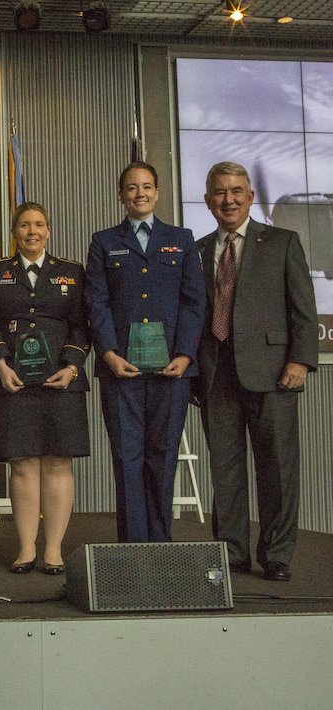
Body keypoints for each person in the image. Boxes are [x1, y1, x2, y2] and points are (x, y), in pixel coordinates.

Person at [195, 161, 318, 582]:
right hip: (215, 375)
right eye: (219, 192)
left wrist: (300, 359)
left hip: (273, 373)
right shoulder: (197, 249)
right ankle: (231, 554)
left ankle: (277, 555)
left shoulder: (283, 242)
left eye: (236, 191)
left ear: (249, 196)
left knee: (278, 469)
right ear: (208, 199)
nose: (228, 200)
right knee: (225, 472)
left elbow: (303, 309)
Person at [85, 161, 205, 543]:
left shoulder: (182, 239)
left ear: (157, 192)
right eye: (132, 188)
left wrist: (185, 354)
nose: (140, 194)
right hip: (121, 369)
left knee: (162, 456)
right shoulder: (104, 241)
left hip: (172, 370)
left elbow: (194, 302)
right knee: (127, 458)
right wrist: (108, 353)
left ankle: (161, 545)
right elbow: (96, 302)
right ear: (121, 195)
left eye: (147, 187)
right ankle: (134, 545)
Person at [0, 202, 89, 575]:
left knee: (58, 462)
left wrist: (72, 366)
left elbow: (82, 325)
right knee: (22, 464)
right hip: (13, 381)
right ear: (14, 231)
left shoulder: (71, 273)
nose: (32, 232)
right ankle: (26, 549)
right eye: (24, 225)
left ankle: (53, 550)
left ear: (49, 230)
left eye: (39, 225)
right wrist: (0, 364)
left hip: (62, 381)